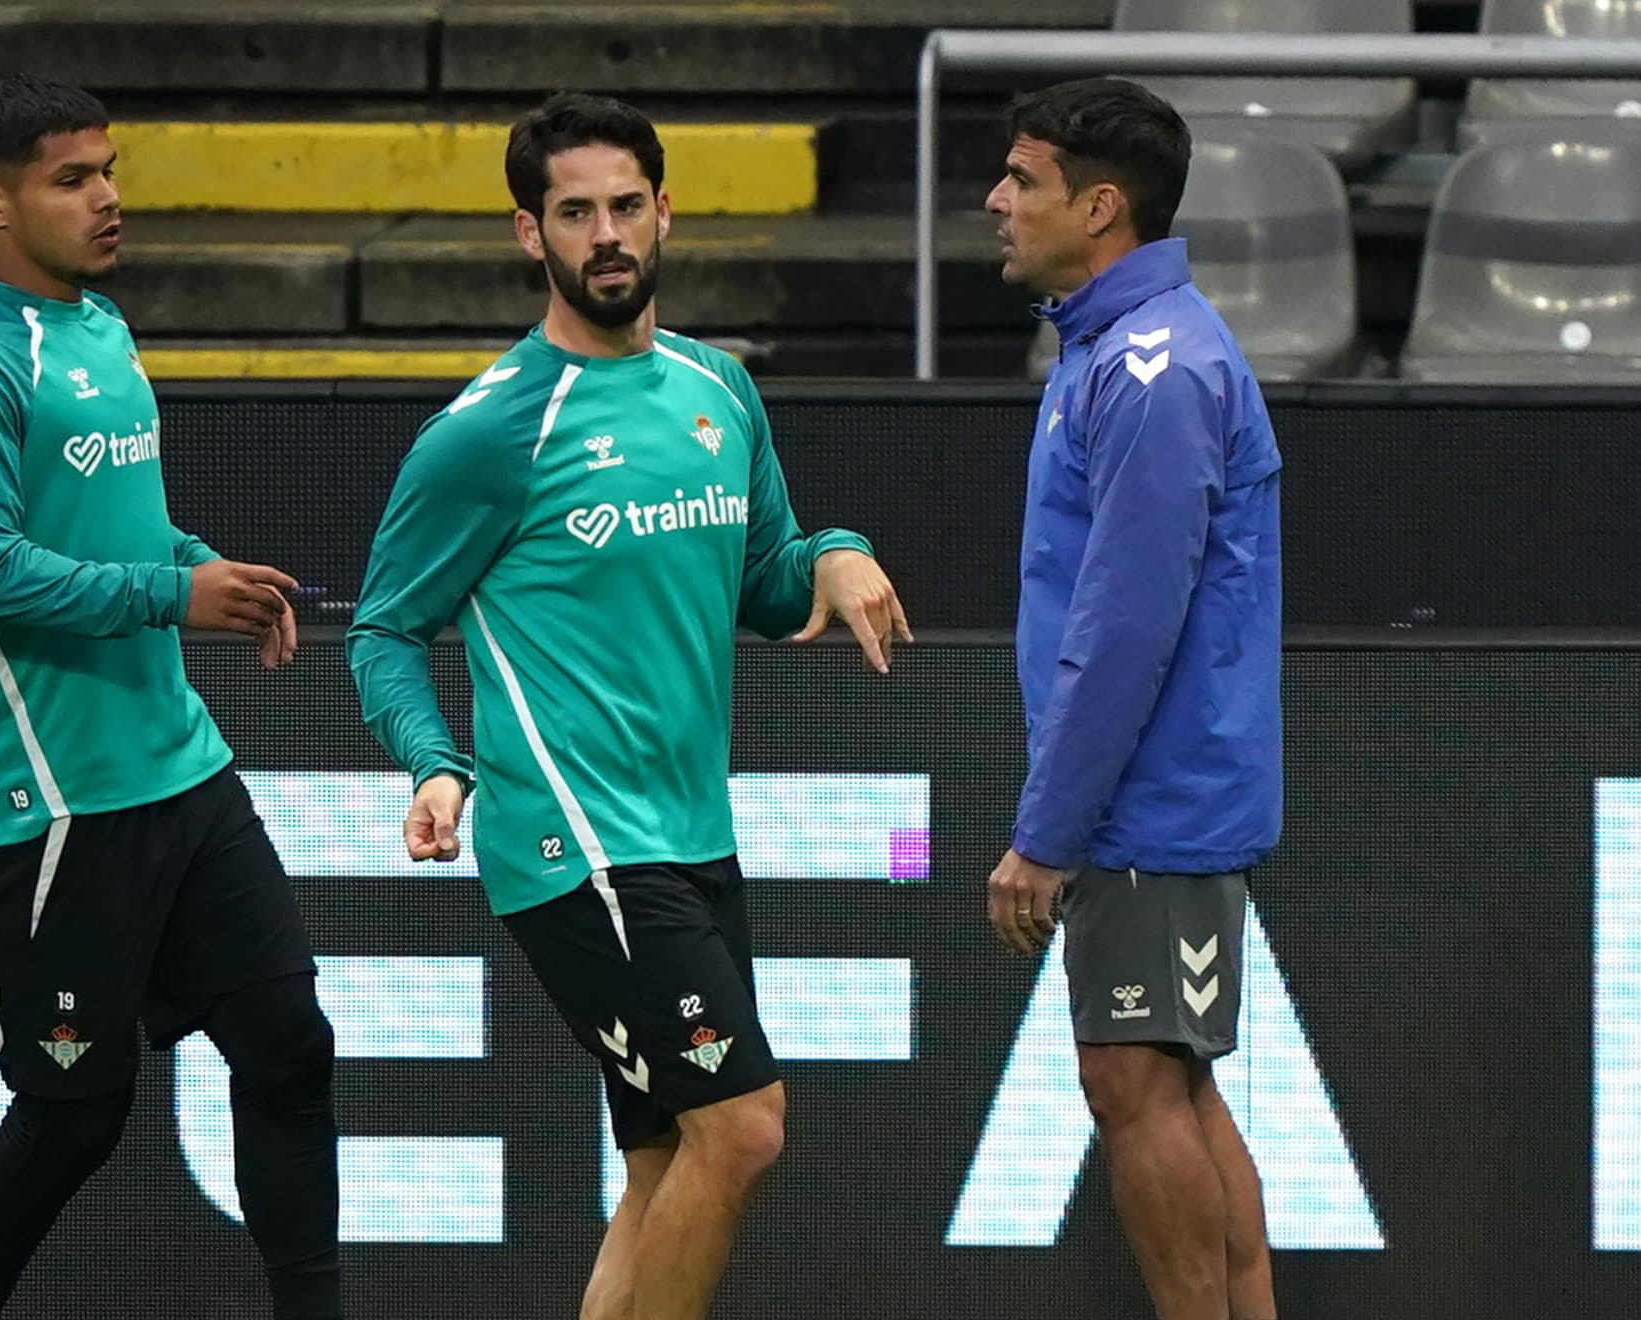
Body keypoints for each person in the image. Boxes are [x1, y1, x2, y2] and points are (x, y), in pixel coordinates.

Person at [346, 91, 910, 1320]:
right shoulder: (491, 430)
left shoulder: (719, 389)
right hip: (577, 840)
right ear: (529, 234)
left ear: (665, 212)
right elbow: (384, 627)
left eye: (624, 205)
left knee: (666, 1156)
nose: (604, 234)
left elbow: (765, 583)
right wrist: (433, 759)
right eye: (574, 213)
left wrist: (835, 552)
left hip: (691, 831)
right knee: (743, 1127)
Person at [0, 74, 340, 1320]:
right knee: (75, 1117)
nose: (107, 198)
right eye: (72, 179)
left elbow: (118, 525)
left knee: (290, 1047)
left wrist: (201, 568)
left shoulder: (99, 327)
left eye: (109, 171)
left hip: (176, 766)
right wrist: (168, 594)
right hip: (50, 801)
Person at [981, 78, 1282, 1320]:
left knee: (1135, 1085)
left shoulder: (1154, 371)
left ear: (1101, 207)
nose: (996, 201)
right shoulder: (1117, 350)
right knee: (1175, 1083)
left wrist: (1048, 833)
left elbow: (1124, 628)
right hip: (1159, 795)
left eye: (1024, 180)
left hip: (1147, 803)